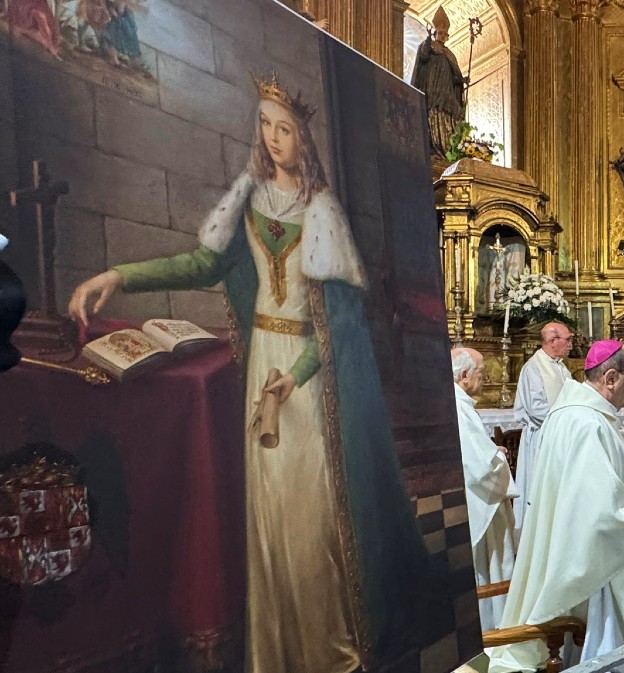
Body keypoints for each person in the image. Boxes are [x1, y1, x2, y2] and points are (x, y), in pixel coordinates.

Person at [67, 73, 437, 672]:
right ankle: (277, 655)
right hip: (261, 361)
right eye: (264, 125)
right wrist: (120, 276)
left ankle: (329, 653)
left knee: (310, 518)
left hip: (306, 384)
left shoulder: (323, 213)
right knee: (269, 517)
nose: (271, 138)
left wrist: (296, 376)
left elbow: (336, 329)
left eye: (284, 128)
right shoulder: (246, 202)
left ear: (305, 140)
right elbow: (198, 263)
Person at [487, 341, 624, 673]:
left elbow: (585, 488)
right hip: (603, 575)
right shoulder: (588, 423)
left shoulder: (572, 413)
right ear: (611, 377)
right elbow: (598, 518)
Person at [452, 347, 518, 631]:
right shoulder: (458, 407)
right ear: (465, 375)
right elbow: (481, 469)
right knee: (490, 567)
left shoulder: (458, 403)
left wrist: (492, 451)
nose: (486, 378)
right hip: (482, 504)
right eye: (481, 372)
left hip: (472, 500)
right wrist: (500, 457)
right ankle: (495, 633)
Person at [511, 322, 573, 533]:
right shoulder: (534, 368)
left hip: (559, 435)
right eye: (568, 339)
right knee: (539, 487)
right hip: (542, 437)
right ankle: (536, 532)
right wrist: (565, 419)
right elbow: (536, 409)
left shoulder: (561, 367)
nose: (571, 344)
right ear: (553, 341)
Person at [411, 6, 465, 159]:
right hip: (433, 90)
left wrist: (460, 80)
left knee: (448, 118)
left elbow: (455, 76)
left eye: (445, 34)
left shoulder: (450, 54)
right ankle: (434, 149)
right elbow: (423, 56)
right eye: (440, 33)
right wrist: (428, 40)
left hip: (447, 94)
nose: (442, 36)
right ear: (435, 33)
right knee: (433, 116)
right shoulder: (428, 45)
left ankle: (447, 151)